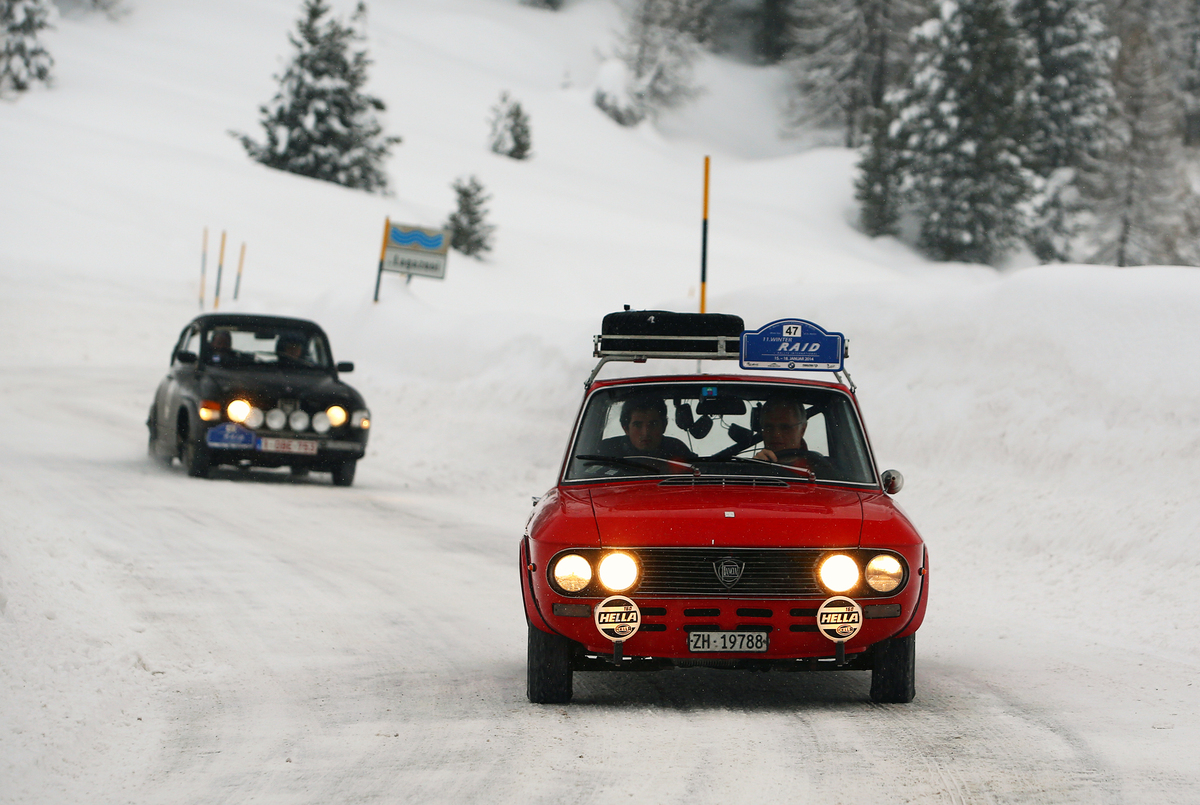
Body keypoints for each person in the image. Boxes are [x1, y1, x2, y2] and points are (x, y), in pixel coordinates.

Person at [753, 396, 833, 476]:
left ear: (802, 430)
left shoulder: (821, 469)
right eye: (768, 427)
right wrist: (754, 469)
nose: (775, 434)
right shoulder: (753, 468)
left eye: (785, 427)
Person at [599, 395, 696, 461]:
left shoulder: (677, 450)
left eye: (653, 424)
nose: (646, 432)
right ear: (626, 428)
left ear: (664, 426)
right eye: (637, 425)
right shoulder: (605, 454)